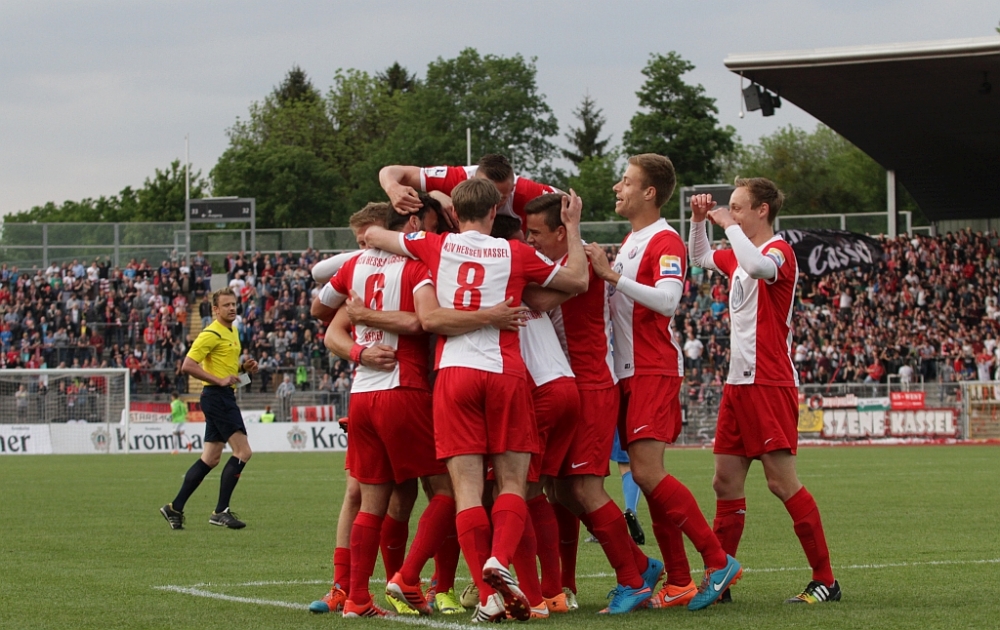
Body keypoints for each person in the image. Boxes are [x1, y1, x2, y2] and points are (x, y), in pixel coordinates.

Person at [364, 178, 588, 622]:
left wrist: (412, 196)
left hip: (454, 374)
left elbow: (372, 234)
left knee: (466, 490)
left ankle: (487, 596)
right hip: (504, 373)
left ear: (455, 213)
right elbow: (579, 278)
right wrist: (575, 227)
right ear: (493, 212)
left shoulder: (435, 245)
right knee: (513, 482)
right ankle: (499, 560)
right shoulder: (515, 252)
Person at [585, 154, 741, 612]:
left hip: (651, 368)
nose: (617, 188)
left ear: (649, 192)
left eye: (626, 181)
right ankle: (679, 580)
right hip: (629, 371)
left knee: (648, 473)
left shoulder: (665, 239)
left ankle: (717, 561)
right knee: (646, 478)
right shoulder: (633, 240)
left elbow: (669, 300)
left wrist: (611, 275)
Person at [688, 177, 841, 604]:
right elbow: (699, 256)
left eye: (738, 207)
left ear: (762, 211)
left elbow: (757, 267)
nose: (731, 213)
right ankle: (720, 579)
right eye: (730, 208)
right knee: (724, 481)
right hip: (738, 383)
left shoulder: (778, 251)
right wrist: (699, 221)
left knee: (780, 482)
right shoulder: (740, 256)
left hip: (769, 381)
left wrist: (726, 225)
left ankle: (826, 580)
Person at [523, 192, 661, 615]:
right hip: (570, 384)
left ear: (561, 231)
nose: (530, 242)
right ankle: (639, 565)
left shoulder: (582, 260)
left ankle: (631, 581)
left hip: (592, 387)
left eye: (537, 233)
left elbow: (541, 300)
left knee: (584, 487)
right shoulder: (561, 260)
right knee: (562, 489)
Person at [159, 288, 259, 530]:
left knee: (211, 458)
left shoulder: (233, 331)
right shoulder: (210, 333)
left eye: (234, 304)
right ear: (215, 310)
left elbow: (227, 370)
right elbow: (187, 365)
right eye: (226, 305)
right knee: (243, 451)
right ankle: (220, 511)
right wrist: (219, 380)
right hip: (217, 397)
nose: (232, 308)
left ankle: (174, 508)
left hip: (221, 396)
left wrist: (243, 370)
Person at [379, 153, 559, 229]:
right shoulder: (455, 178)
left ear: (512, 189)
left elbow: (568, 202)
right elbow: (393, 171)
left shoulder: (526, 191)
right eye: (485, 194)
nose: (491, 204)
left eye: (500, 199)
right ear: (471, 181)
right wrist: (393, 188)